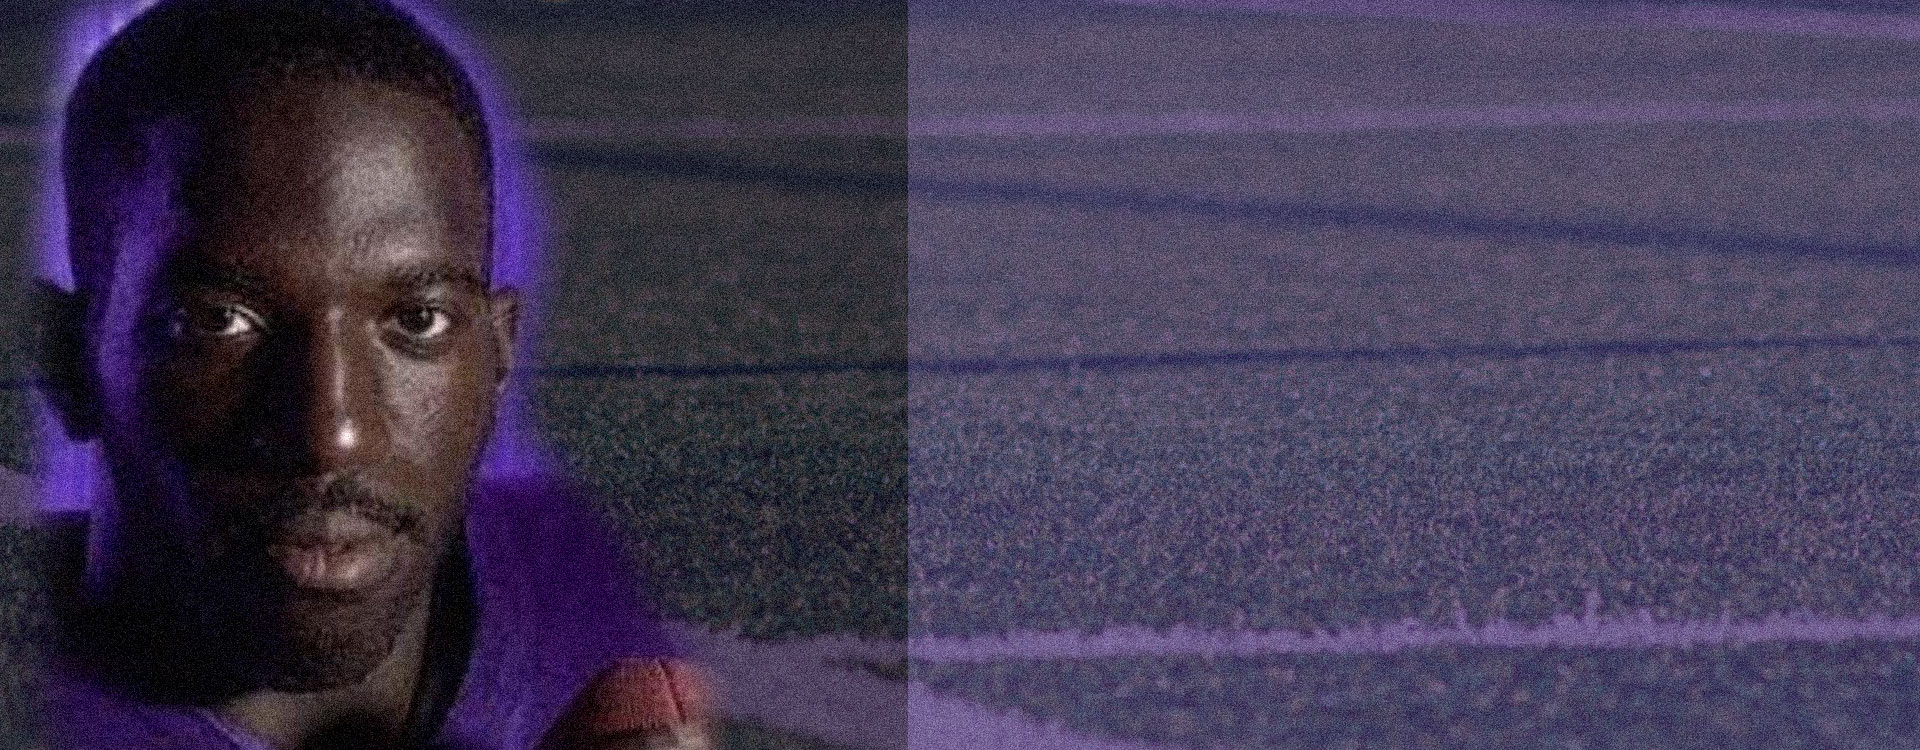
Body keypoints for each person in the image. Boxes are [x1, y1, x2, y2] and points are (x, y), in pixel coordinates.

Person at [32, 1, 715, 747]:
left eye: (417, 322)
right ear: (69, 359)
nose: (335, 434)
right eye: (218, 321)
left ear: (498, 354)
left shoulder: (600, 589)